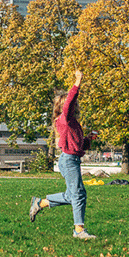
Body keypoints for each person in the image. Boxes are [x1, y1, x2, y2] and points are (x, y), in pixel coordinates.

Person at [27, 69, 95, 240]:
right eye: (74, 104)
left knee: (73, 195)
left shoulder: (72, 123)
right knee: (78, 195)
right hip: (68, 161)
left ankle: (40, 203)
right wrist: (77, 81)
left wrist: (88, 139)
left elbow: (79, 145)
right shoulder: (64, 118)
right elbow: (69, 102)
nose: (76, 105)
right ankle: (79, 231)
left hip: (73, 159)